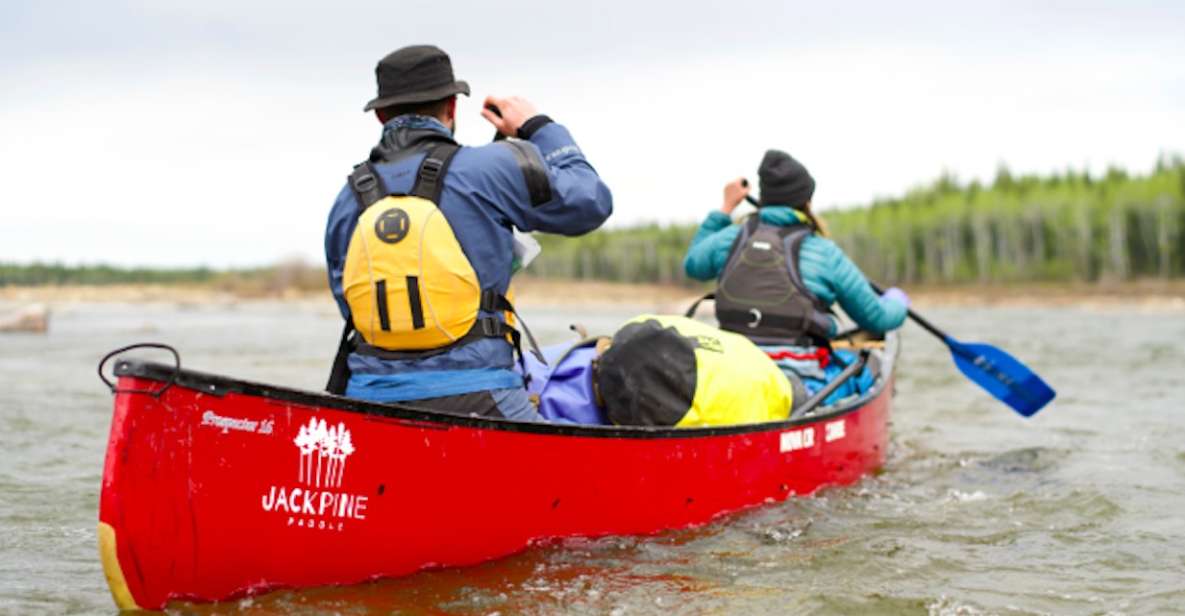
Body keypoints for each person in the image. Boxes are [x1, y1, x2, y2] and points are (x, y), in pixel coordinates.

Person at [324, 45, 613, 421]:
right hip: (481, 395)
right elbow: (590, 202)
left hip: (367, 403)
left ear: (380, 116)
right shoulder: (495, 166)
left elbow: (350, 300)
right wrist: (539, 127)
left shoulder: (348, 198)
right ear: (452, 108)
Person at [683, 149, 908, 403]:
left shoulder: (731, 237)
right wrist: (898, 301)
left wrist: (725, 208)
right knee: (871, 365)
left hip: (734, 372)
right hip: (803, 380)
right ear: (806, 201)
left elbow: (693, 264)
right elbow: (877, 319)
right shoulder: (823, 252)